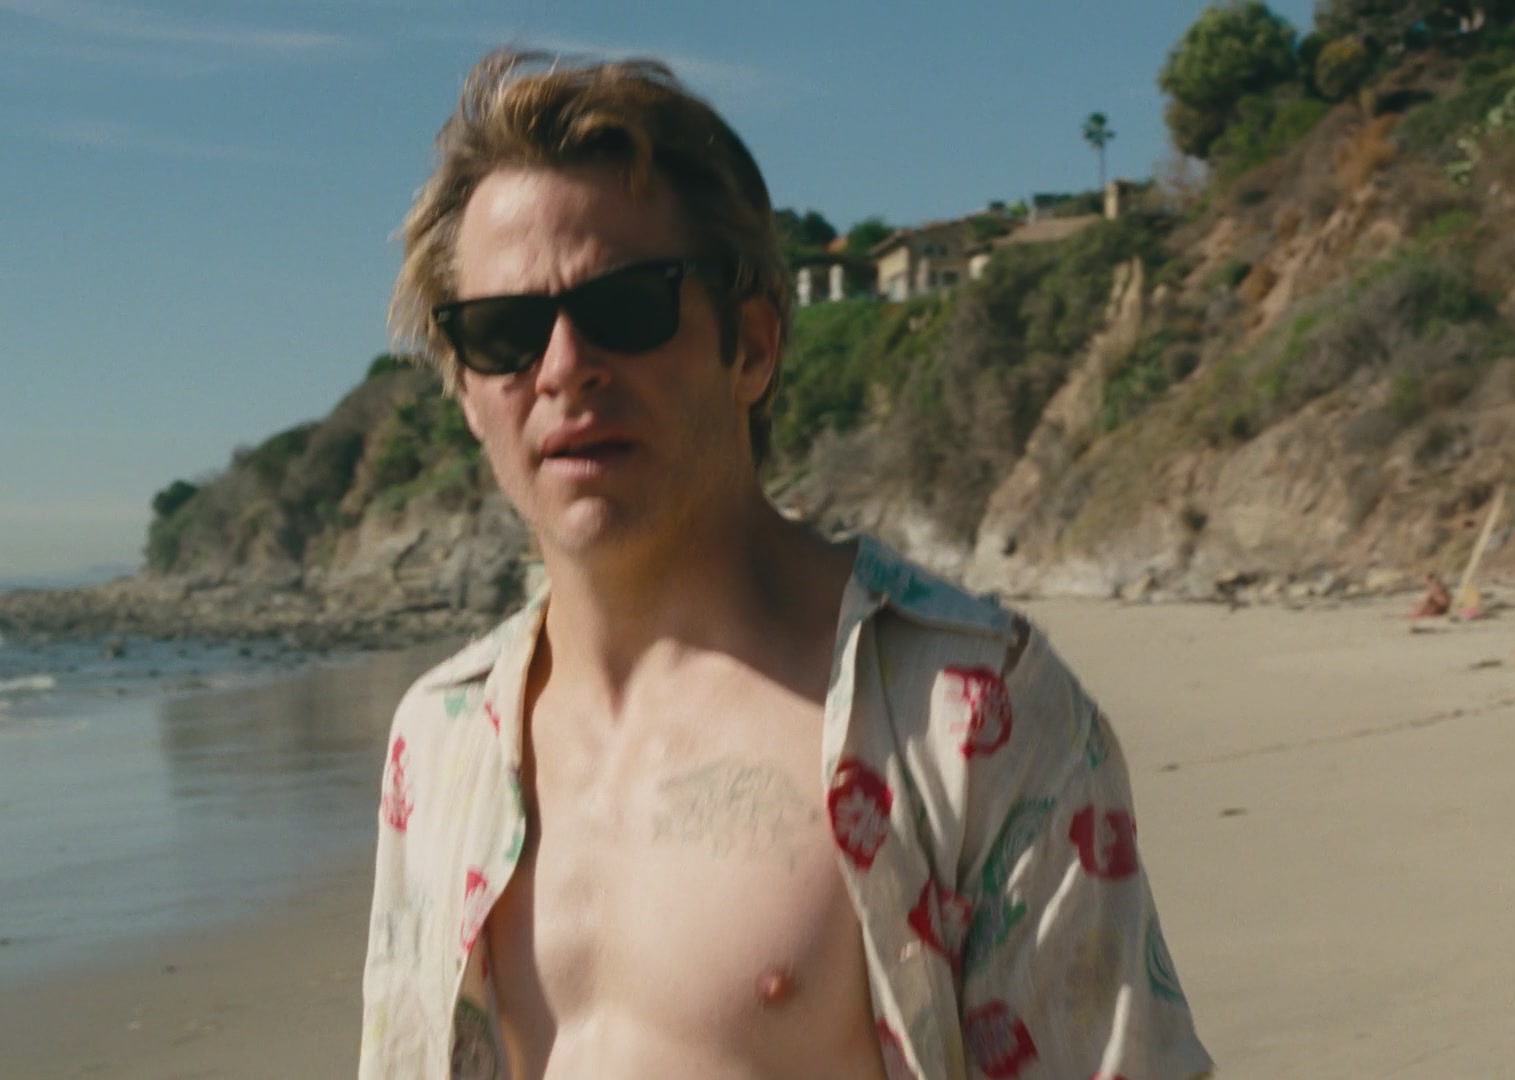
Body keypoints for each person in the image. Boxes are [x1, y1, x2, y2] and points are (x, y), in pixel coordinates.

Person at [358, 50, 1211, 1080]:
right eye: (504, 331)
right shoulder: (437, 743)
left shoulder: (967, 711)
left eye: (627, 308)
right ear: (463, 386)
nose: (565, 368)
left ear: (752, 346)